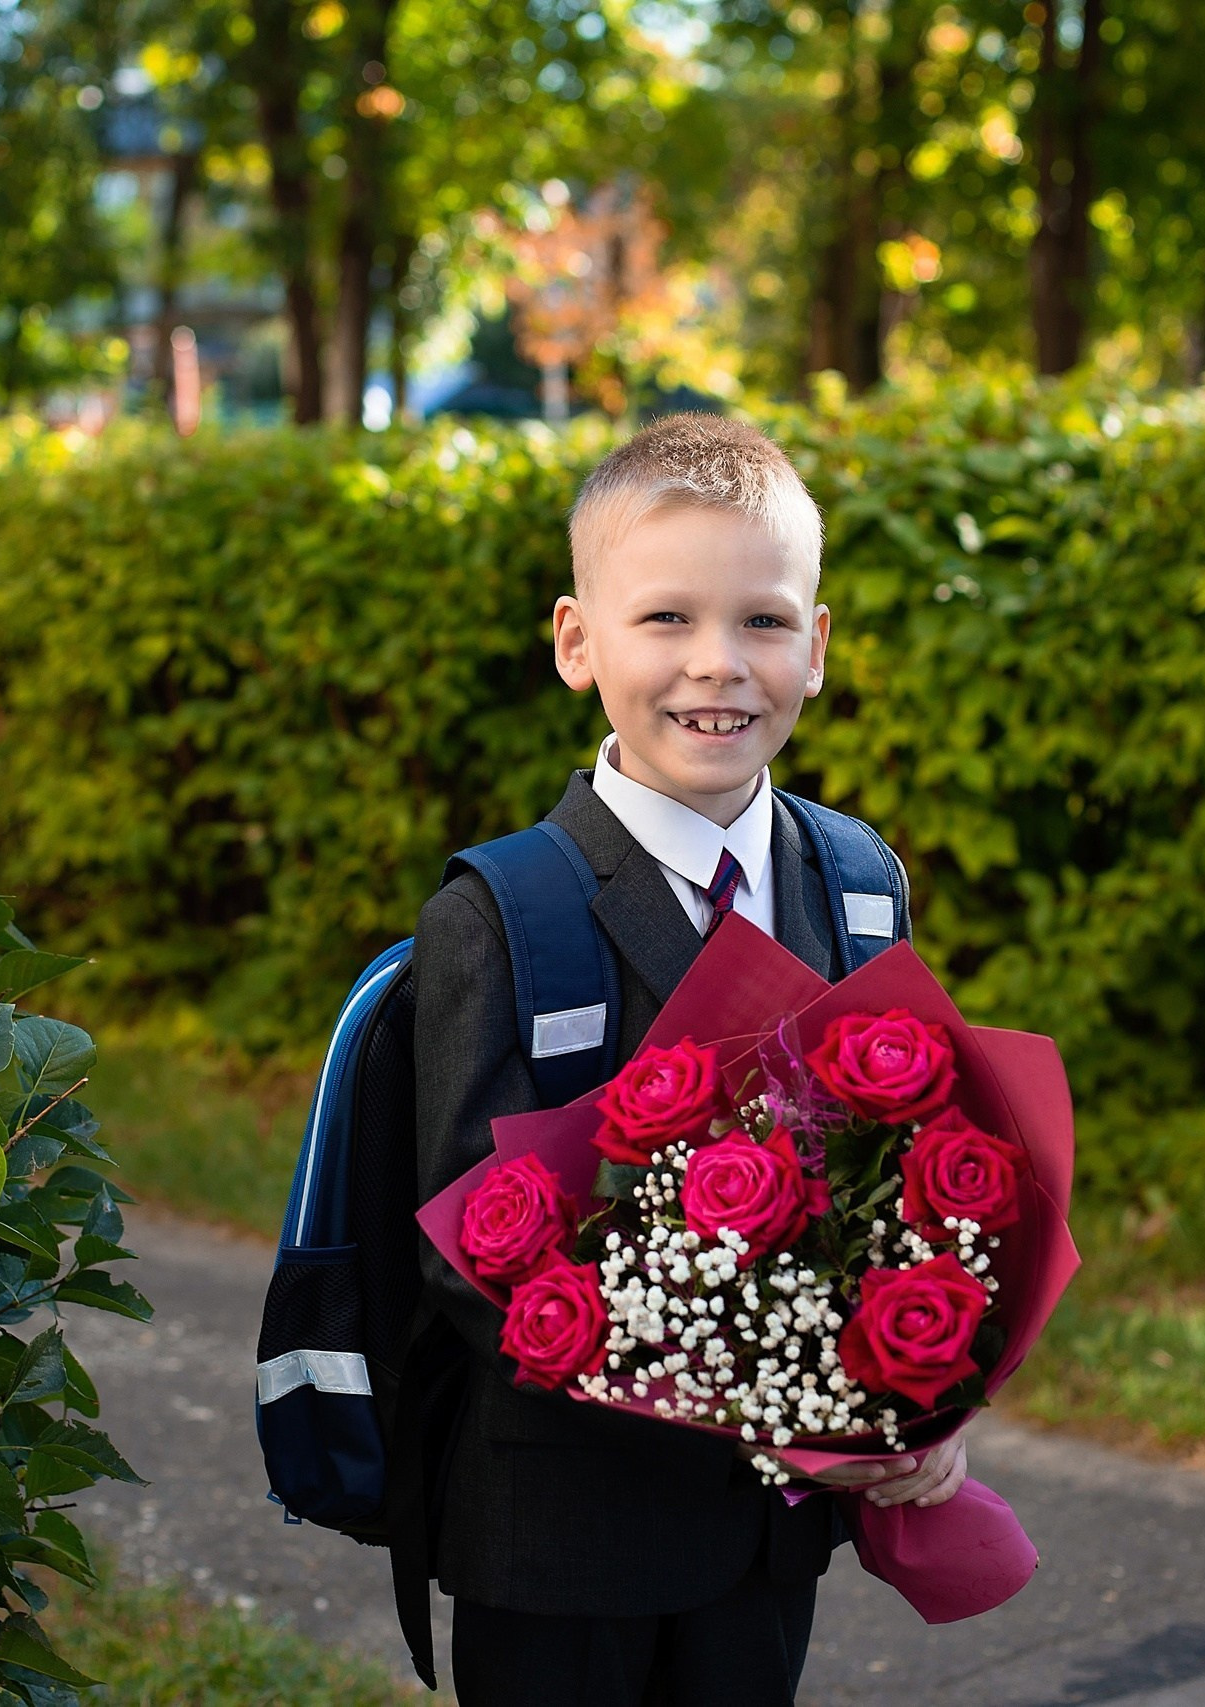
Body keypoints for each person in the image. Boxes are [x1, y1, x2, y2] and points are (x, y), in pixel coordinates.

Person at [410, 415, 967, 1706]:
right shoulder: (499, 915)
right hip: (562, 1531)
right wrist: (768, 1396)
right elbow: (466, 1253)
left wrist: (920, 1391)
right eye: (666, 617)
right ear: (577, 642)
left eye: (763, 621)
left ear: (815, 648)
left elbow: (913, 1175)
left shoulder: (858, 883)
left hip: (770, 1538)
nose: (718, 663)